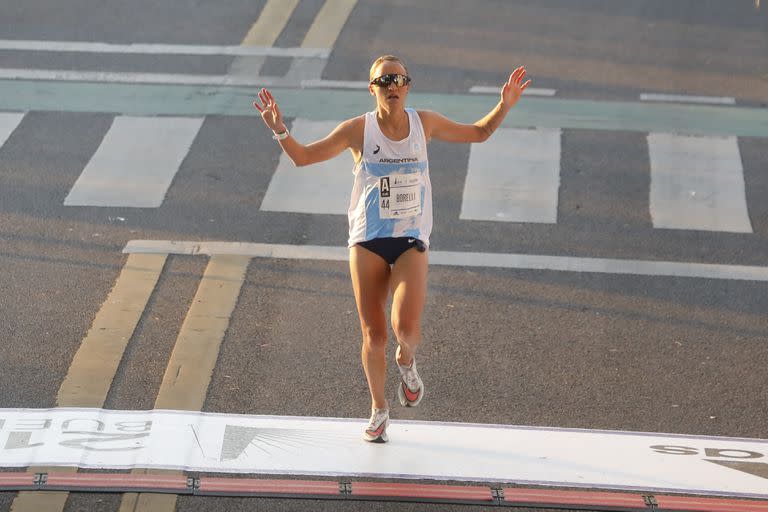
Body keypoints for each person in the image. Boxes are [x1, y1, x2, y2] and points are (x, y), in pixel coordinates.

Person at [254, 55, 530, 443]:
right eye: (384, 81)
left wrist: (505, 104)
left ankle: (407, 360)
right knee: (374, 335)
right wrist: (280, 129)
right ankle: (379, 409)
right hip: (367, 240)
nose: (393, 86)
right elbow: (303, 157)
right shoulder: (358, 130)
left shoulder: (424, 123)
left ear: (408, 86)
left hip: (410, 239)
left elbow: (478, 133)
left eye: (399, 79)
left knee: (405, 330)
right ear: (373, 89)